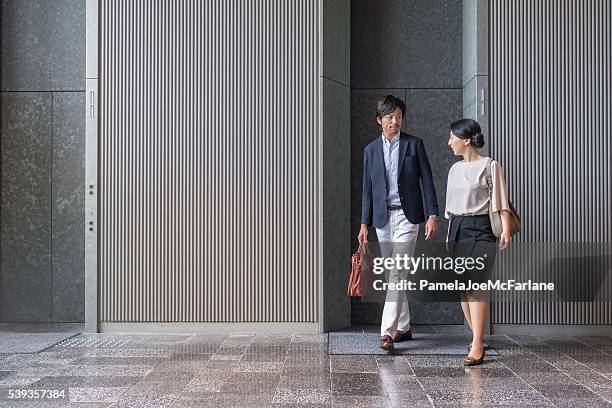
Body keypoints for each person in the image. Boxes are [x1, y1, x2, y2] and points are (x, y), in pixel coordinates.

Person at [358, 95, 439, 351]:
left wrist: (433, 215)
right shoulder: (370, 150)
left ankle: (387, 333)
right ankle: (403, 326)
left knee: (396, 272)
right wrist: (364, 223)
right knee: (395, 274)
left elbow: (427, 181)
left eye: (399, 117)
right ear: (379, 120)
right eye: (390, 117)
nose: (395, 121)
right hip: (382, 219)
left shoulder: (414, 145)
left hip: (408, 216)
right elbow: (368, 190)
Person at [445, 118, 511, 366]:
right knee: (463, 289)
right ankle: (477, 338)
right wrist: (449, 235)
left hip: (481, 228)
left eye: (453, 137)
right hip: (458, 229)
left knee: (475, 285)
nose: (449, 142)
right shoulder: (454, 169)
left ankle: (478, 344)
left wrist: (505, 229)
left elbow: (501, 199)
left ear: (466, 140)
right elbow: (450, 209)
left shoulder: (490, 165)